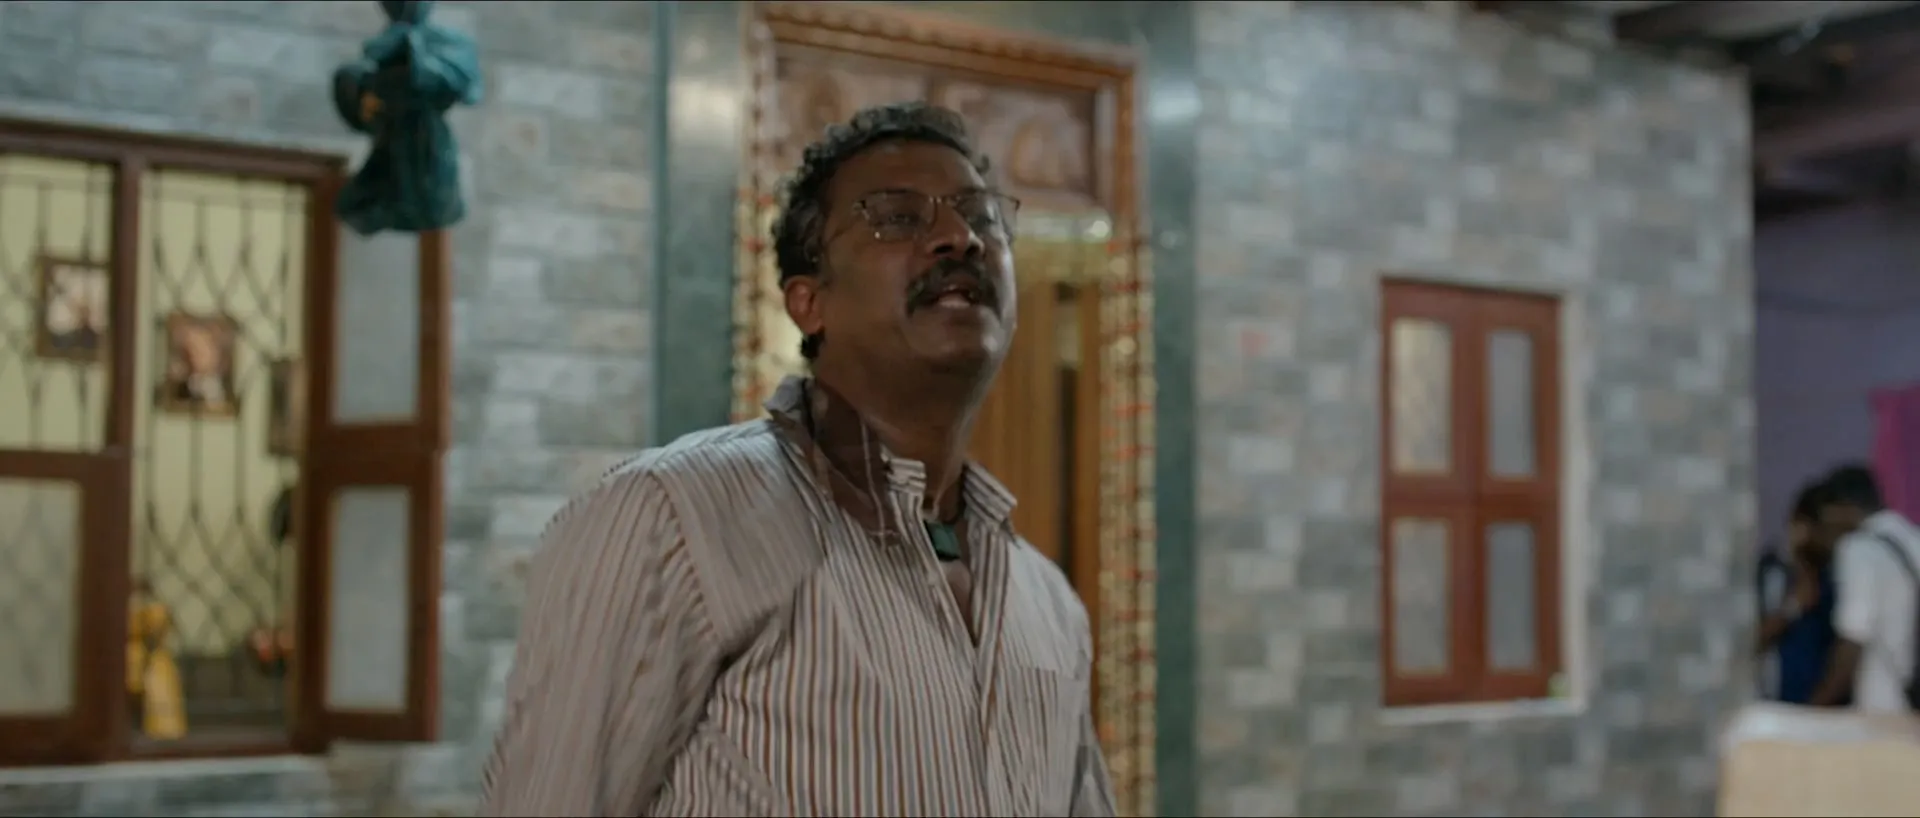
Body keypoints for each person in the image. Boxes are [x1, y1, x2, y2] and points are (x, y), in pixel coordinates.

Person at [479, 102, 1114, 816]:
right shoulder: (673, 519)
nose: (958, 238)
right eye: (897, 217)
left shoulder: (1045, 600)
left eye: (982, 217)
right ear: (809, 304)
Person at [1807, 464, 1920, 712]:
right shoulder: (1915, 539)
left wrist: (1814, 709)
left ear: (1841, 509)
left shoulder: (1858, 548)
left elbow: (1853, 640)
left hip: (1883, 709)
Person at [1755, 480, 1842, 705]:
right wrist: (1794, 606)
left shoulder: (1832, 576)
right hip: (1774, 703)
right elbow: (1751, 641)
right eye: (1823, 529)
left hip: (1821, 705)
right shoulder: (1769, 571)